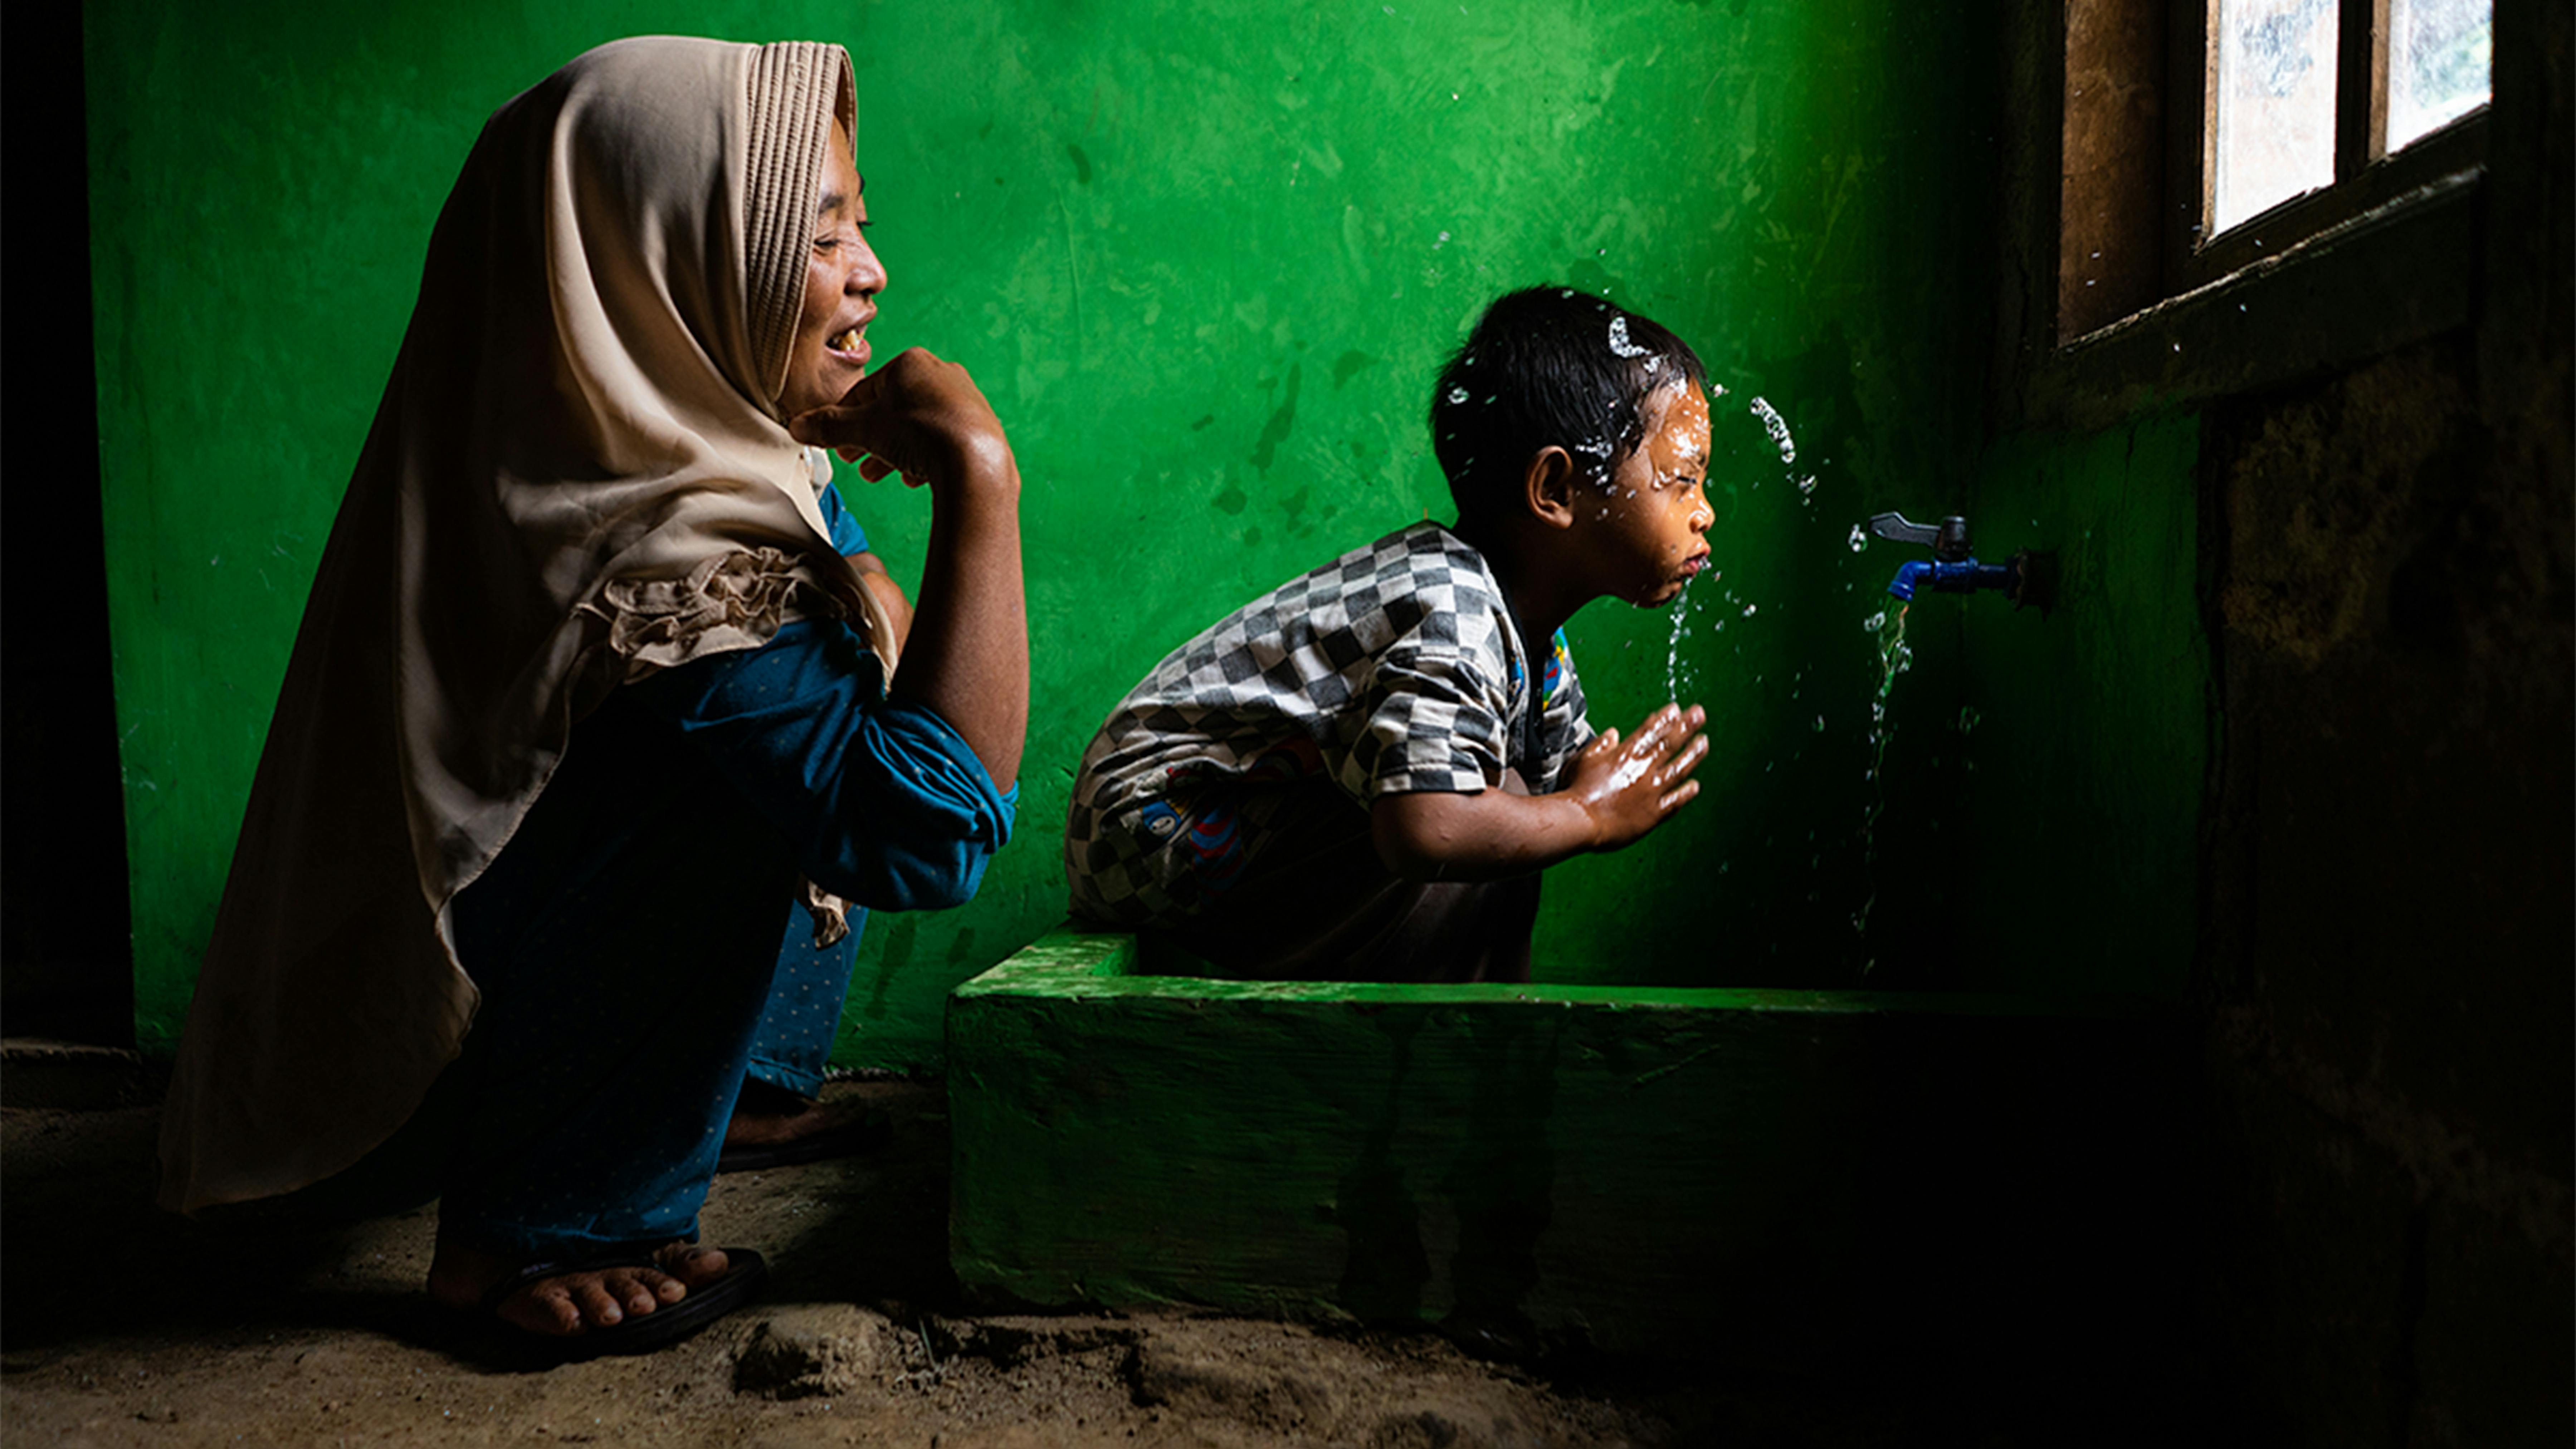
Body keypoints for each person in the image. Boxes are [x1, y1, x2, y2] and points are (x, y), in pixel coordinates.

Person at [155, 36, 1027, 1361]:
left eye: (864, 226)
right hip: (439, 1060)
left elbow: (886, 638)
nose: (872, 276)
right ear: (667, 254)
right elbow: (927, 832)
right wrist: (980, 472)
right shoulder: (655, 545)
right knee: (773, 763)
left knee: (811, 703)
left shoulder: (675, 429)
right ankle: (537, 1230)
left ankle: (724, 1094)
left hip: (506, 973)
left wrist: (865, 597)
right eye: (822, 235)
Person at [1064, 287, 1711, 982]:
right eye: (1681, 482)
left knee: (1513, 808)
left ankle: (1488, 1037)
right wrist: (1587, 815)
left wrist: (1597, 788)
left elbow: (1554, 781)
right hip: (1156, 827)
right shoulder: (1453, 608)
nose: (1704, 512)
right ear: (1554, 488)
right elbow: (1427, 827)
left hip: (1250, 826)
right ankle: (1436, 1054)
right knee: (1492, 808)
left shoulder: (1528, 634)